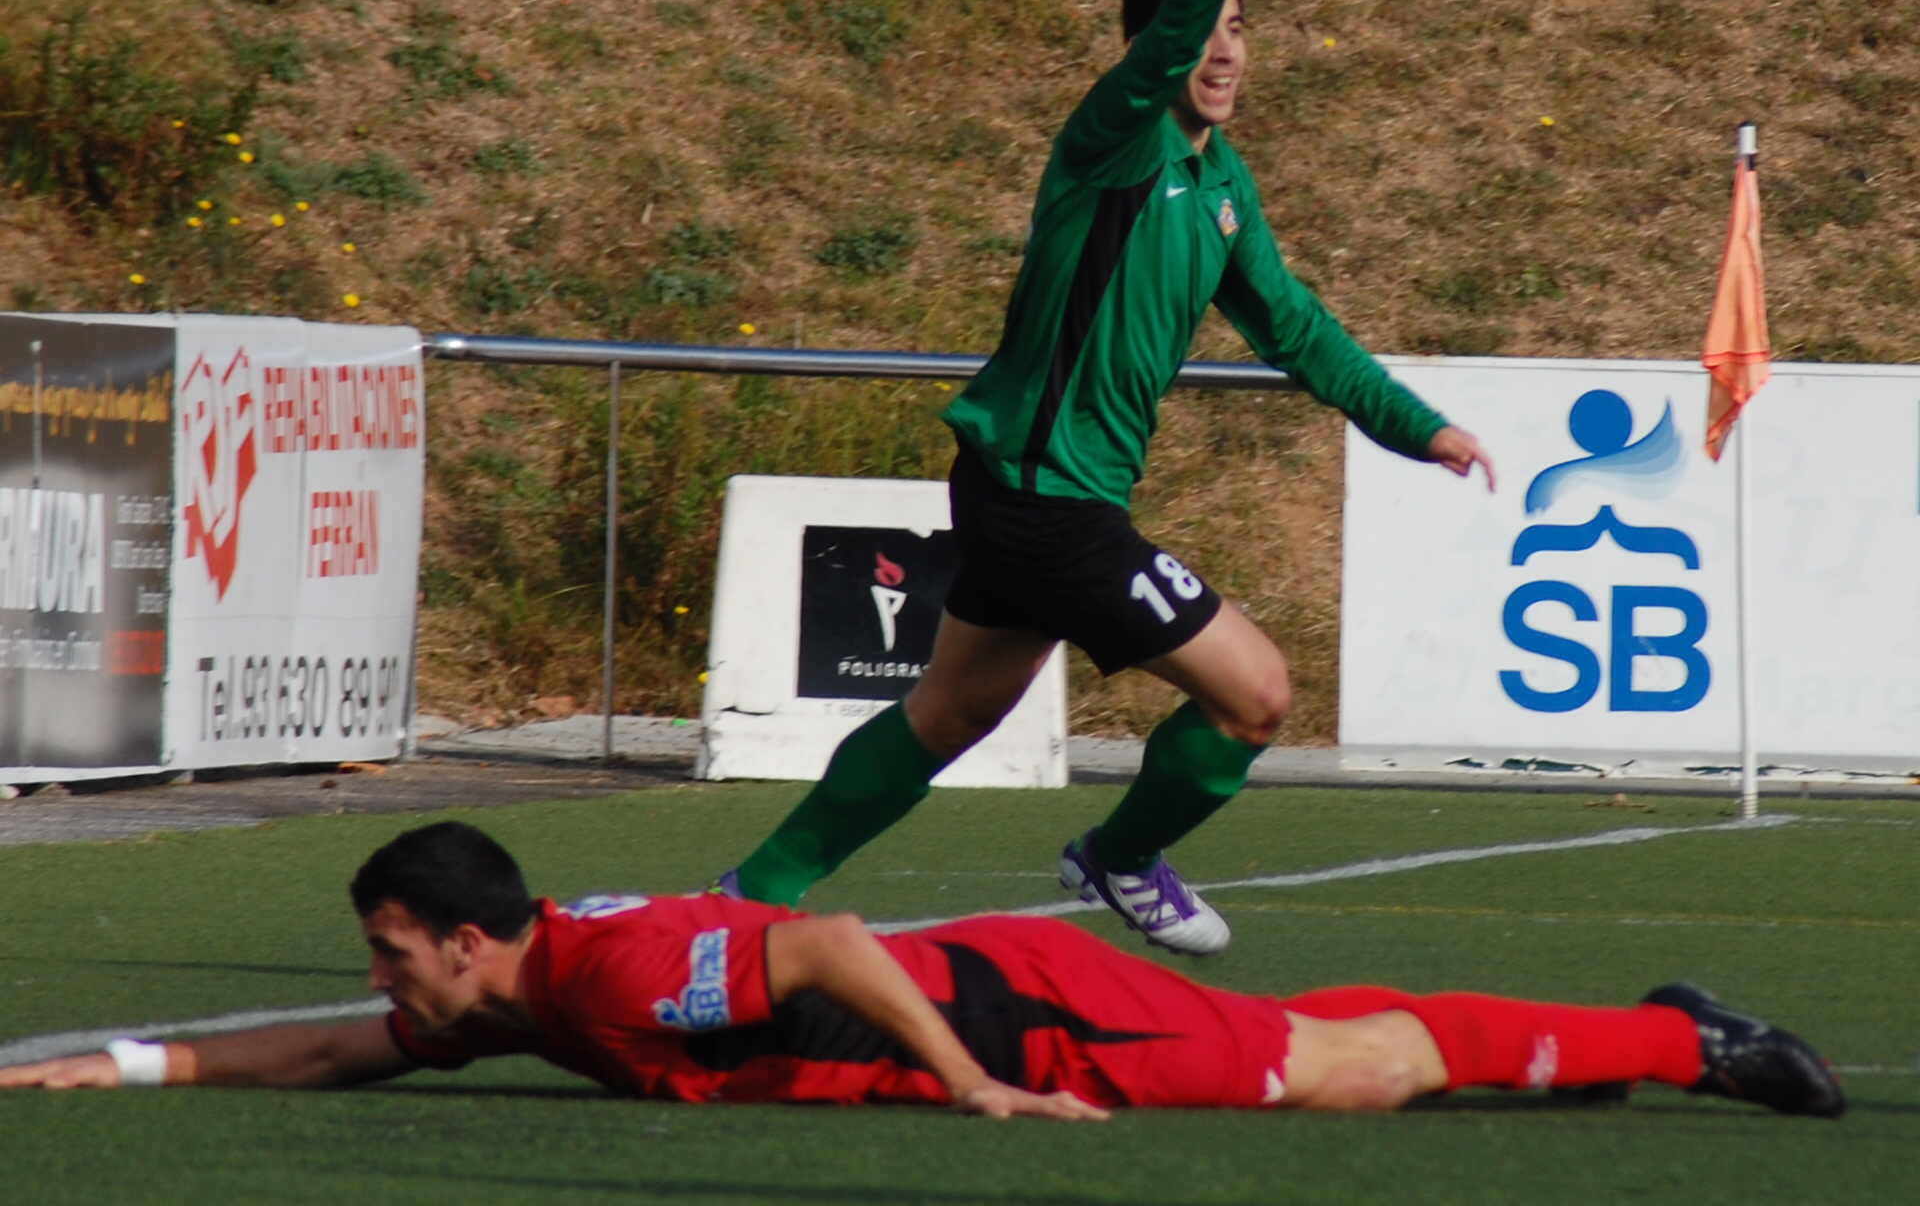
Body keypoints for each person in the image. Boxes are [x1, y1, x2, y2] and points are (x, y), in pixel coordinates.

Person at [716, 0, 1496, 955]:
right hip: (1046, 502)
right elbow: (1176, 24)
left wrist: (1419, 428)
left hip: (1030, 493)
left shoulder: (1220, 184)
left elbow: (1297, 328)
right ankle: (1120, 857)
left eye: (1239, 34)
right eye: (1201, 35)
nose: (1222, 53)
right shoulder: (1113, 143)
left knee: (952, 710)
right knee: (1257, 694)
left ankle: (756, 890)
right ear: (1149, 56)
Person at [0, 823, 1843, 1119]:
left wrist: (976, 1090)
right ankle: (1647, 1040)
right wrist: (126, 1072)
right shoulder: (522, 992)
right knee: (1346, 1054)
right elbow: (335, 1059)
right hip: (994, 1014)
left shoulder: (622, 970)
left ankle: (1688, 1042)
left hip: (1032, 1010)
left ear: (472, 941)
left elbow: (818, 940)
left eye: (399, 955)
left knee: (1345, 1072)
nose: (390, 986)